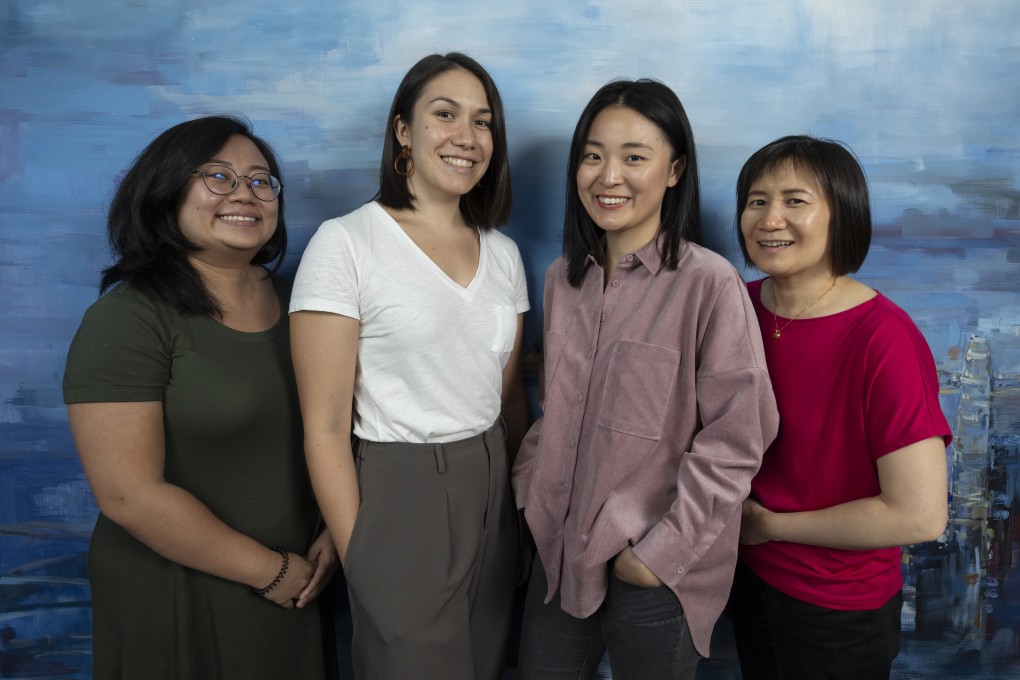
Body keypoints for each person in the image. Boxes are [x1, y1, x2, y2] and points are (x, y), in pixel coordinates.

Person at [510, 79, 779, 680]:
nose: (609, 176)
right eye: (593, 155)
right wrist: (531, 493)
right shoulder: (562, 279)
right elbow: (558, 408)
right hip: (557, 551)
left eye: (634, 156)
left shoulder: (708, 283)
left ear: (675, 168)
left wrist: (659, 555)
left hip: (652, 570)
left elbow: (740, 435)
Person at [63, 116, 339, 679]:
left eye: (262, 181)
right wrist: (268, 569)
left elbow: (345, 428)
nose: (245, 194)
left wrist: (337, 530)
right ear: (165, 192)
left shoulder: (311, 303)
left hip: (302, 583)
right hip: (177, 591)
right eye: (218, 176)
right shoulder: (128, 319)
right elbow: (128, 496)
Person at [289, 52, 528, 680]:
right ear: (403, 130)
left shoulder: (504, 255)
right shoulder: (347, 244)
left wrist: (522, 515)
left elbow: (508, 401)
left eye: (483, 122)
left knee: (487, 665)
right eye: (443, 114)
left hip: (493, 484)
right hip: (399, 491)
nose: (466, 137)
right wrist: (359, 553)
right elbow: (322, 427)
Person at [729, 135, 952, 680]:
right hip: (744, 578)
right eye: (756, 201)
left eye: (795, 200)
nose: (769, 218)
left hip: (837, 607)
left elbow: (920, 514)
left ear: (841, 216)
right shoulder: (737, 305)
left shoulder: (884, 338)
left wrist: (772, 526)